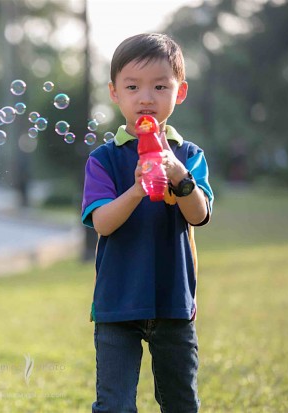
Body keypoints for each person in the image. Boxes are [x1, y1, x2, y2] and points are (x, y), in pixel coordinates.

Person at [81, 33, 214, 413]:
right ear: (114, 92)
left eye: (160, 86)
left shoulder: (189, 154)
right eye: (133, 86)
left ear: (180, 92)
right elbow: (103, 224)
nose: (146, 97)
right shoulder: (104, 159)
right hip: (117, 302)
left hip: (173, 300)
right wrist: (137, 189)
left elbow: (198, 214)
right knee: (114, 405)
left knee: (180, 401)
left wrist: (179, 176)